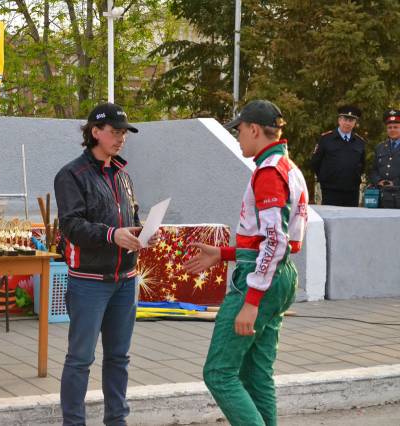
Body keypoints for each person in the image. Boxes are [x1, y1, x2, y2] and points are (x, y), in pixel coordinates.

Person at [185, 100, 308, 426]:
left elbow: (274, 240)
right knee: (256, 373)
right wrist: (223, 253)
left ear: (254, 129)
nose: (237, 136)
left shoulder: (268, 172)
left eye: (239, 130)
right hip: (280, 276)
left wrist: (251, 301)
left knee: (218, 372)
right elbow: (276, 240)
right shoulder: (289, 167)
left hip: (261, 279)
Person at [54, 102, 159, 426]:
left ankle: (117, 420)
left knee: (118, 358)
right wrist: (112, 235)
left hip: (126, 280)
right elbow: (71, 226)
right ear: (95, 132)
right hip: (89, 282)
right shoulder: (71, 175)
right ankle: (74, 422)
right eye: (115, 132)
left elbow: (130, 218)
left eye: (124, 133)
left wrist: (143, 233)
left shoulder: (123, 175)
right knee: (80, 359)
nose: (121, 138)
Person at [310, 105, 366, 206]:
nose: (347, 123)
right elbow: (315, 162)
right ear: (339, 120)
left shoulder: (359, 142)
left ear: (355, 123)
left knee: (351, 216)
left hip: (352, 191)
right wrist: (325, 179)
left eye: (351, 120)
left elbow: (362, 165)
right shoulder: (326, 139)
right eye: (345, 119)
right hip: (330, 190)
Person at [370, 109, 400, 188]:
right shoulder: (380, 147)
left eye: (396, 127)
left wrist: (395, 183)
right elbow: (374, 170)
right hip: (382, 191)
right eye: (389, 127)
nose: (392, 130)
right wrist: (378, 181)